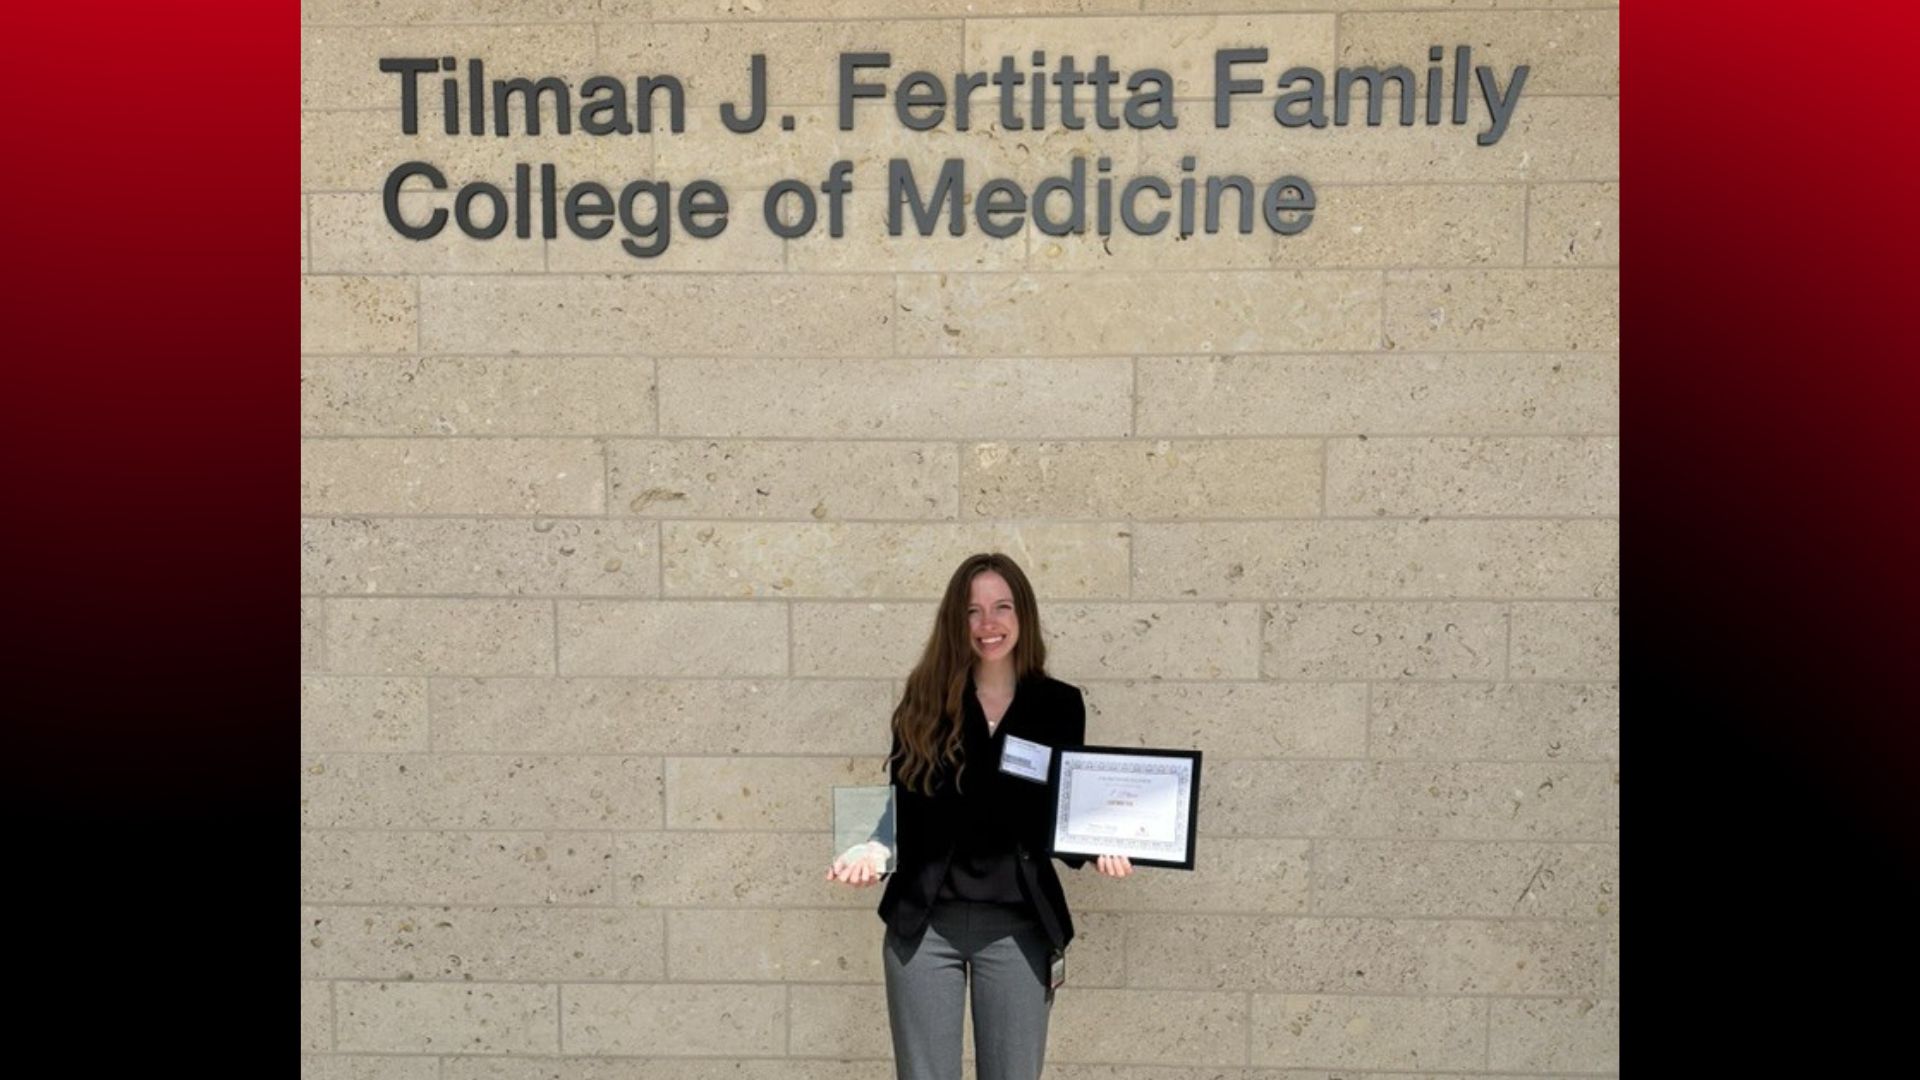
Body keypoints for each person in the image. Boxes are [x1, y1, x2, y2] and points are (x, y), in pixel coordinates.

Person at [826, 552, 1134, 1080]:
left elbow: (1062, 809)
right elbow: (901, 797)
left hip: (1018, 930)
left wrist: (1100, 843)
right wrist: (871, 850)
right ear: (955, 620)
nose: (988, 624)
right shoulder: (926, 698)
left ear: (1024, 614)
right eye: (972, 611)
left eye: (1001, 607)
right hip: (925, 929)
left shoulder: (1058, 705)